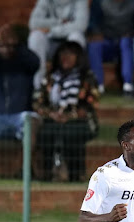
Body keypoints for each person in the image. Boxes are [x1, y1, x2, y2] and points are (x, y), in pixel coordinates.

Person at [34, 41, 99, 182]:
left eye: (70, 54)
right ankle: (46, 173)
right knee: (45, 133)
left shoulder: (86, 77)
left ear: (78, 57)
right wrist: (52, 114)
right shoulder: (51, 77)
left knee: (70, 134)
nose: (65, 57)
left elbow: (90, 102)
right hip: (53, 119)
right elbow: (38, 102)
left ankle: (75, 174)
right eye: (63, 53)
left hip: (80, 121)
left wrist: (69, 116)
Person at [0, 24, 40, 141]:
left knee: (32, 121)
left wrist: (17, 43)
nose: (6, 49)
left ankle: (28, 158)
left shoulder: (25, 65)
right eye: (2, 46)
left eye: (10, 46)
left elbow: (35, 62)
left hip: (21, 116)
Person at [27, 0, 89, 89]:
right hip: (50, 44)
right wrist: (59, 21)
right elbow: (33, 23)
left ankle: (73, 84)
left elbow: (80, 26)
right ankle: (38, 86)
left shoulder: (80, 1)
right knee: (35, 36)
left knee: (77, 36)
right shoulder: (45, 1)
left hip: (68, 43)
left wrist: (51, 30)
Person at [87, 0, 134, 96]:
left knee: (126, 42)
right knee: (94, 44)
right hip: (106, 41)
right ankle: (98, 85)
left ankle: (128, 85)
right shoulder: (99, 2)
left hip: (126, 41)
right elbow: (93, 24)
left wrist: (132, 32)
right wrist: (96, 32)